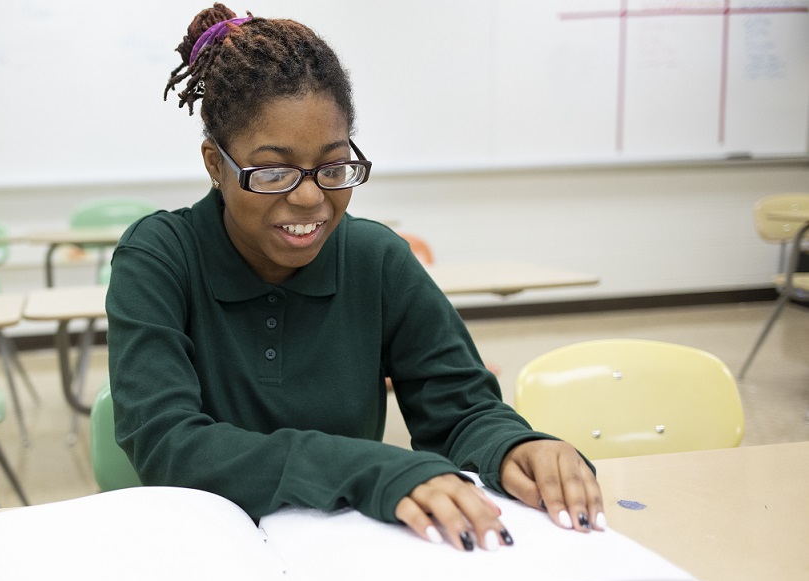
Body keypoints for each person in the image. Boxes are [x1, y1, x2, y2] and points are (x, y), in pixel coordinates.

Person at [105, 4, 604, 551]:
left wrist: (512, 447)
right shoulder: (158, 256)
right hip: (206, 547)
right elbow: (168, 444)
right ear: (214, 164)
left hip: (345, 550)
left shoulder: (376, 258)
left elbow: (462, 410)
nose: (309, 197)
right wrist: (368, 467)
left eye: (334, 167)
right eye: (272, 171)